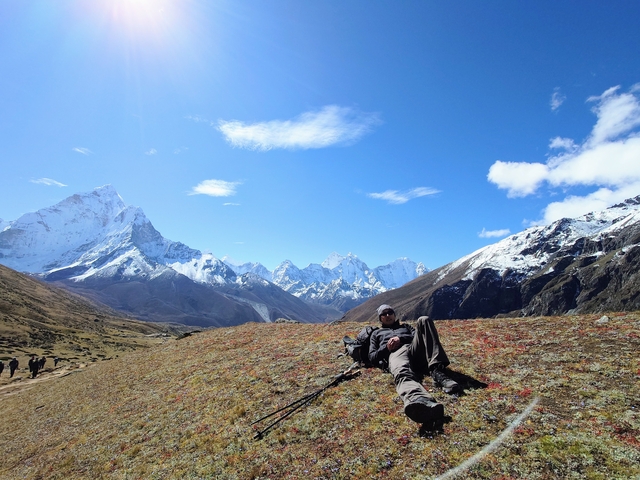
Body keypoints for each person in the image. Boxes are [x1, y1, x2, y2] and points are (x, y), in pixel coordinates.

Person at [369, 304, 460, 424]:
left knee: (424, 320)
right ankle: (419, 400)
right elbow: (372, 357)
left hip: (414, 349)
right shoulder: (376, 334)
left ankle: (438, 372)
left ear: (394, 314)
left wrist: (400, 339)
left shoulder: (405, 327)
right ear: (380, 318)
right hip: (395, 354)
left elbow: (416, 336)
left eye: (390, 312)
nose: (387, 315)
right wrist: (387, 348)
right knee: (402, 373)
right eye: (384, 314)